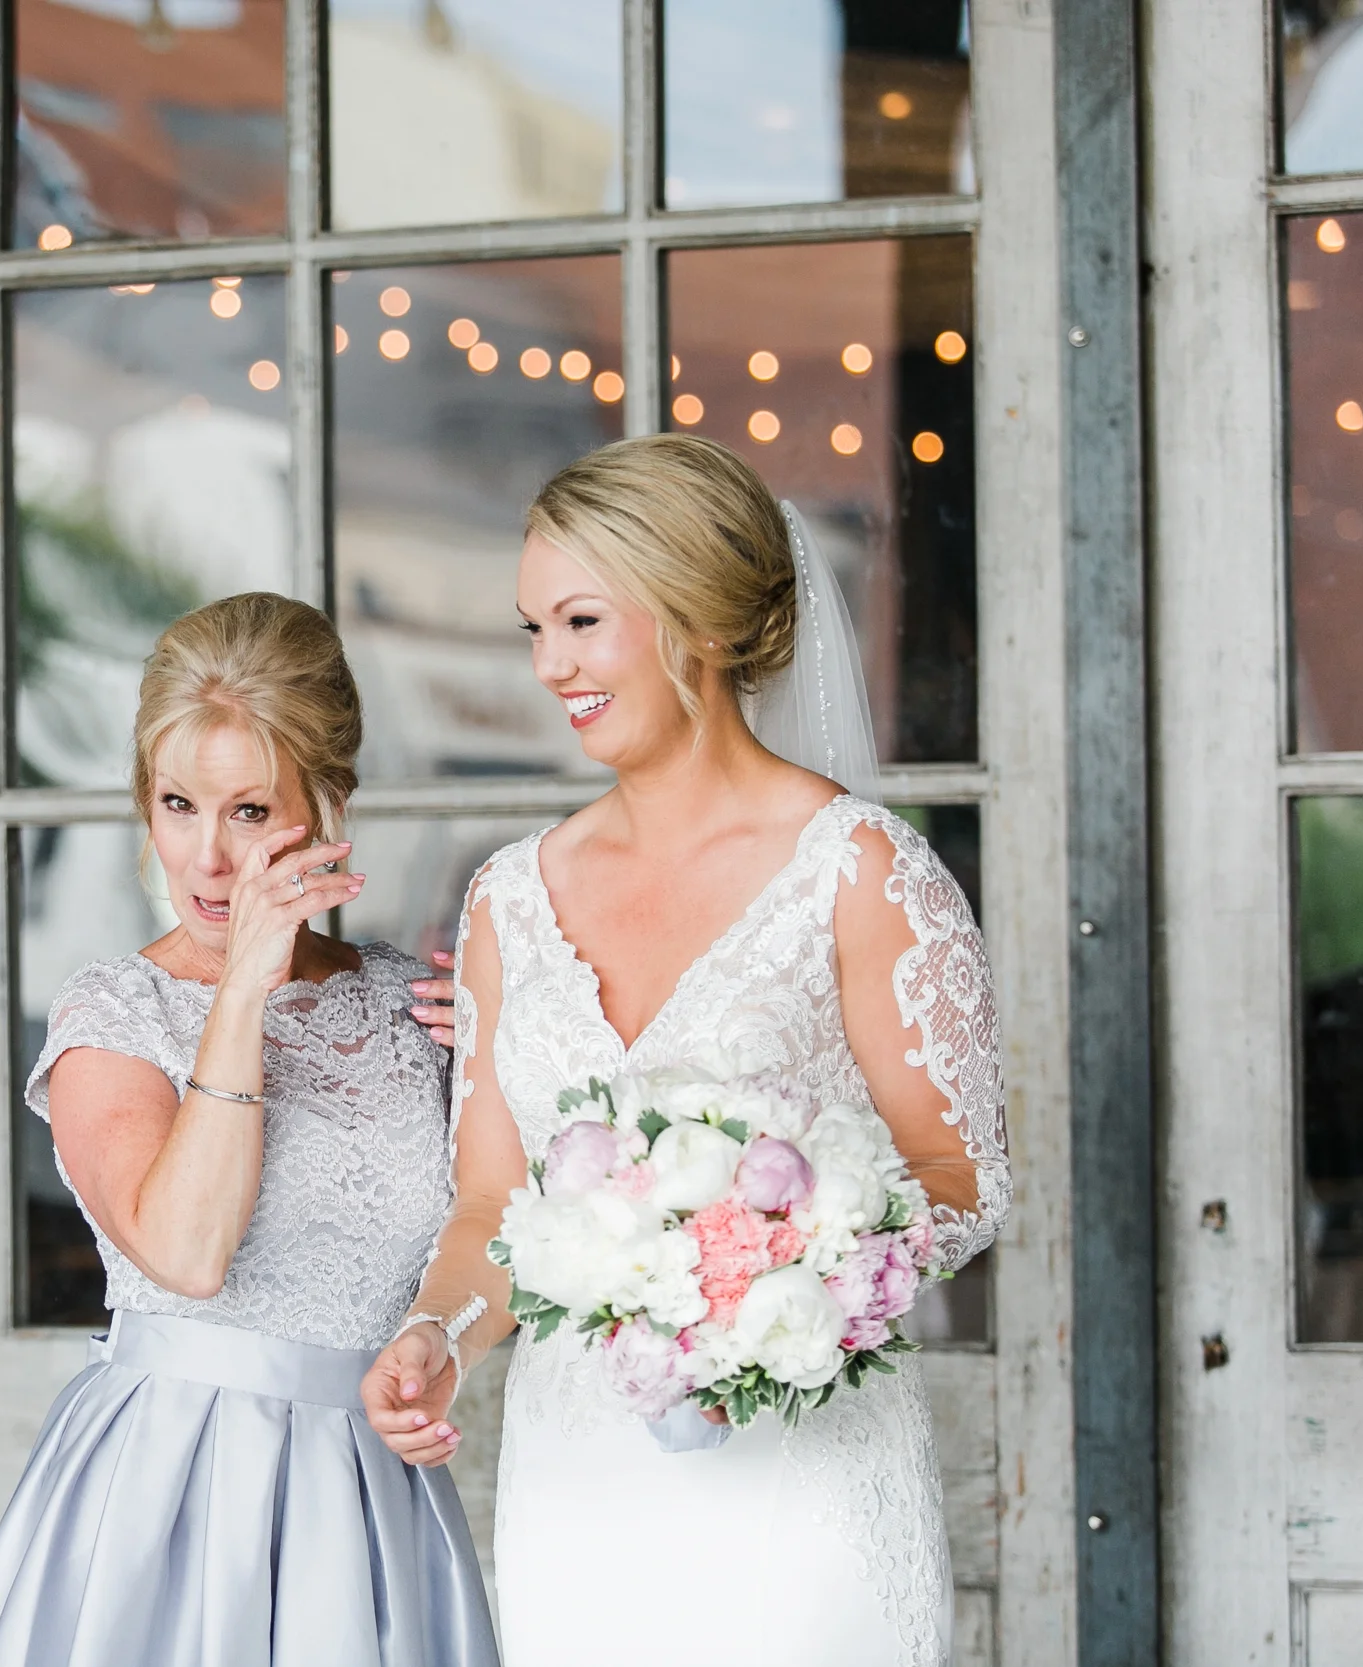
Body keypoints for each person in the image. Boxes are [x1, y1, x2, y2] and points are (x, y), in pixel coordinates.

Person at [365, 435, 1010, 1665]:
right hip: (581, 1484)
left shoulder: (860, 871)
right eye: (534, 628)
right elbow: (490, 1206)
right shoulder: (508, 897)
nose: (548, 665)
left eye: (581, 621)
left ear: (699, 616)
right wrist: (436, 1332)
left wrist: (772, 1266)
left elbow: (960, 1176)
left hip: (801, 1476)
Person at [0, 592, 498, 1667]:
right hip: (172, 1497)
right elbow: (189, 1253)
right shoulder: (114, 1015)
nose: (204, 856)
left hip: (372, 1503)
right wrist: (240, 991)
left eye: (248, 811)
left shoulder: (412, 1004)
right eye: (176, 803)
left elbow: (503, 1227)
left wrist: (508, 1047)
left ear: (328, 804)